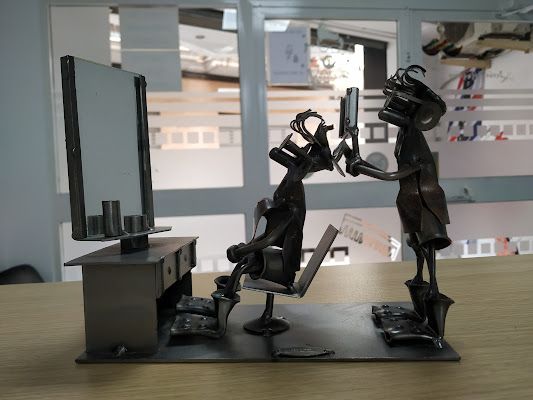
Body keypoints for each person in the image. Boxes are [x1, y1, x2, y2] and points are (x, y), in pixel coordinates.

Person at [344, 65, 454, 340]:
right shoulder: (406, 134)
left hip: (425, 201)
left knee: (427, 250)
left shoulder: (413, 138)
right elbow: (385, 115)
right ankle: (421, 305)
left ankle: (432, 308)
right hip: (411, 199)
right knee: (417, 248)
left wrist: (361, 166)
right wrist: (359, 161)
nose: (392, 106)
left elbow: (393, 175)